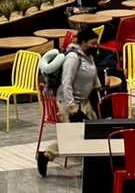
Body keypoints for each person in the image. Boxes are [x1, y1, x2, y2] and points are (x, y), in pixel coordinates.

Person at [39, 27, 101, 176]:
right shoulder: (73, 58)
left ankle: (90, 167)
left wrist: (98, 86)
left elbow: (93, 73)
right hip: (68, 103)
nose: (96, 46)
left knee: (94, 133)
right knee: (71, 139)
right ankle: (46, 155)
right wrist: (72, 106)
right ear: (84, 42)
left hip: (85, 102)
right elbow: (66, 83)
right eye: (93, 43)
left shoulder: (89, 55)